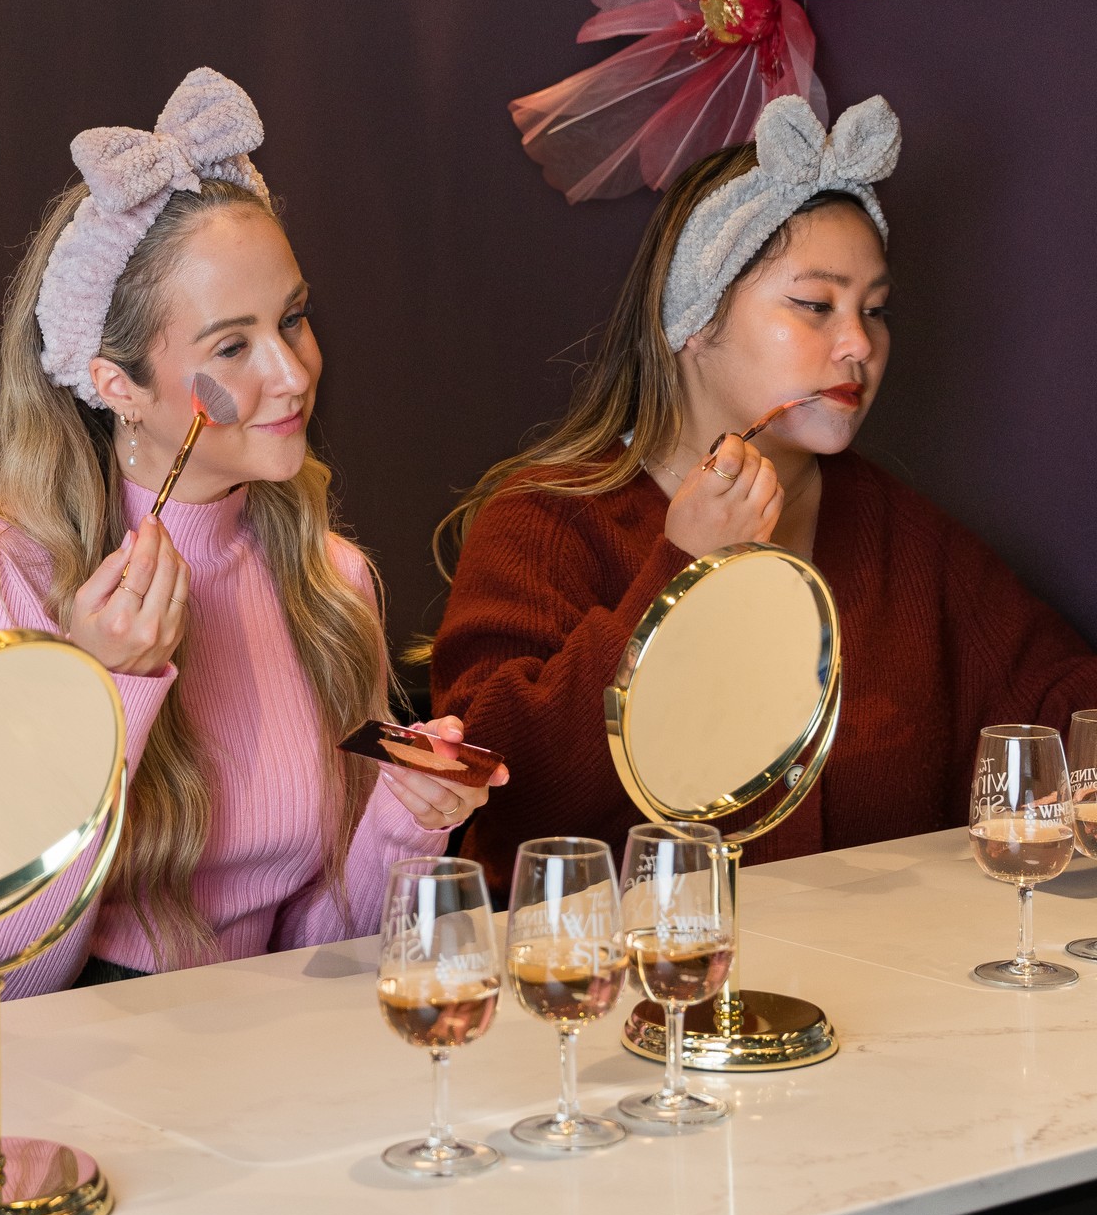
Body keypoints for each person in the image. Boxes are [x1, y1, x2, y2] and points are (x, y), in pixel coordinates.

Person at [0, 68, 506, 1009]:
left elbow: (318, 952)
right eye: (231, 346)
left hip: (271, 1077)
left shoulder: (329, 580)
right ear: (116, 383)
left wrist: (404, 824)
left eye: (293, 318)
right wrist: (104, 695)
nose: (293, 374)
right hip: (73, 1101)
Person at [431, 95, 1097, 890]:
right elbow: (509, 790)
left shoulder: (902, 535)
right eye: (815, 305)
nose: (859, 346)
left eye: (875, 311)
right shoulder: (546, 523)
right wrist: (683, 575)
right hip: (628, 999)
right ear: (694, 317)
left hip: (872, 997)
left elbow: (1062, 707)